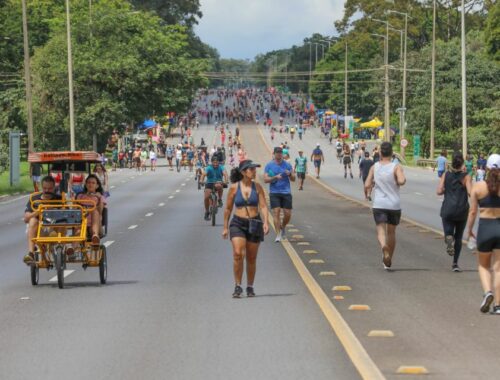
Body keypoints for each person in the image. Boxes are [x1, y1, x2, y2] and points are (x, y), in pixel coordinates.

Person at [223, 160, 270, 298]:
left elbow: (263, 206)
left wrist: (266, 222)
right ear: (243, 172)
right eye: (251, 169)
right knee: (238, 254)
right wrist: (225, 227)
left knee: (251, 257)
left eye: (255, 169)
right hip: (238, 223)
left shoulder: (258, 187)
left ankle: (250, 286)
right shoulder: (234, 188)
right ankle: (238, 286)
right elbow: (228, 208)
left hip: (255, 222)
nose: (254, 171)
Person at [466, 154, 500, 314]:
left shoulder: (478, 187)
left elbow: (473, 212)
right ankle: (498, 306)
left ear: (485, 167)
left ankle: (488, 293)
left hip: (485, 228)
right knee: (498, 269)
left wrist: (469, 230)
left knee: (483, 266)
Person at [365, 142, 406, 269]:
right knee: (392, 233)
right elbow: (401, 181)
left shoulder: (374, 167)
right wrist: (399, 181)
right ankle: (388, 261)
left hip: (379, 204)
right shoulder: (396, 166)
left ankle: (384, 247)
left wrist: (373, 182)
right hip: (394, 205)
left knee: (381, 231)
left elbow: (367, 184)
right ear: (392, 153)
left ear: (380, 153)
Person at [437, 152, 472, 272]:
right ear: (462, 163)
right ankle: (455, 264)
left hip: (448, 208)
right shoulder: (466, 176)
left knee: (449, 233)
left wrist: (447, 189)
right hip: (462, 210)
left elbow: (439, 191)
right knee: (459, 237)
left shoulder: (446, 175)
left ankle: (448, 238)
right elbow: (470, 192)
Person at [23, 176, 62, 264]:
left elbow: (66, 215)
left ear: (54, 188)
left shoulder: (59, 199)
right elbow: (26, 218)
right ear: (41, 187)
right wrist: (37, 212)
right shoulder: (34, 198)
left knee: (61, 222)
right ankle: (31, 253)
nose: (47, 191)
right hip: (38, 228)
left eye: (50, 188)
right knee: (32, 220)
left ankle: (57, 248)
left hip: (54, 227)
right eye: (45, 188)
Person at [264, 147, 295, 242]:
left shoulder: (287, 165)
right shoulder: (269, 165)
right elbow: (265, 179)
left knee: (287, 213)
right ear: (274, 154)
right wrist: (275, 177)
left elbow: (293, 179)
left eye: (280, 153)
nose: (279, 154)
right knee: (276, 212)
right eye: (277, 153)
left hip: (286, 192)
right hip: (274, 192)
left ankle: (283, 226)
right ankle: (278, 234)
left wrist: (290, 174)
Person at [75, 174, 106, 247]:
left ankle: (95, 236)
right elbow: (76, 210)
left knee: (95, 211)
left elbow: (100, 211)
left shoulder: (99, 197)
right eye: (88, 182)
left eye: (93, 183)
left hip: (95, 225)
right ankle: (72, 249)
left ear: (97, 186)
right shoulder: (80, 196)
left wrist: (99, 199)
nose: (90, 184)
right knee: (78, 232)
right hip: (82, 225)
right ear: (85, 184)